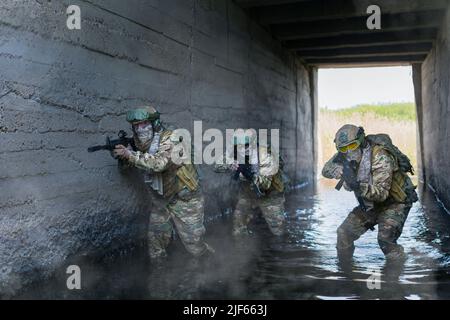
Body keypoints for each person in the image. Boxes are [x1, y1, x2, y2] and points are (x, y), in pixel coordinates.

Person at [113, 106, 213, 261]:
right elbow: (130, 165)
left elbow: (159, 163)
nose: (140, 129)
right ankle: (160, 274)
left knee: (194, 244)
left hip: (185, 199)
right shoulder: (138, 144)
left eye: (144, 124)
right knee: (156, 242)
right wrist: (123, 158)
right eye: (136, 126)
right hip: (161, 199)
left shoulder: (171, 138)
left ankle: (211, 266)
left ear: (155, 123)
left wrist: (130, 154)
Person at [322, 124, 418, 261]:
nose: (349, 151)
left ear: (360, 141)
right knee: (344, 233)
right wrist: (337, 170)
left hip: (395, 202)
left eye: (352, 146)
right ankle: (345, 271)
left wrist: (356, 185)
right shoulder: (344, 155)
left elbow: (381, 194)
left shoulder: (380, 156)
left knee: (386, 241)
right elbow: (325, 170)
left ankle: (397, 271)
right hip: (370, 204)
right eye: (343, 148)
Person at [214, 132, 287, 237]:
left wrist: (251, 176)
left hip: (270, 193)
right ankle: (242, 248)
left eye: (246, 146)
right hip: (248, 192)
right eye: (239, 146)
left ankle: (279, 249)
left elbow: (265, 184)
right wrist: (229, 164)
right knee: (238, 225)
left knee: (277, 229)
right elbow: (217, 166)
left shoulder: (265, 155)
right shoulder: (236, 152)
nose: (243, 149)